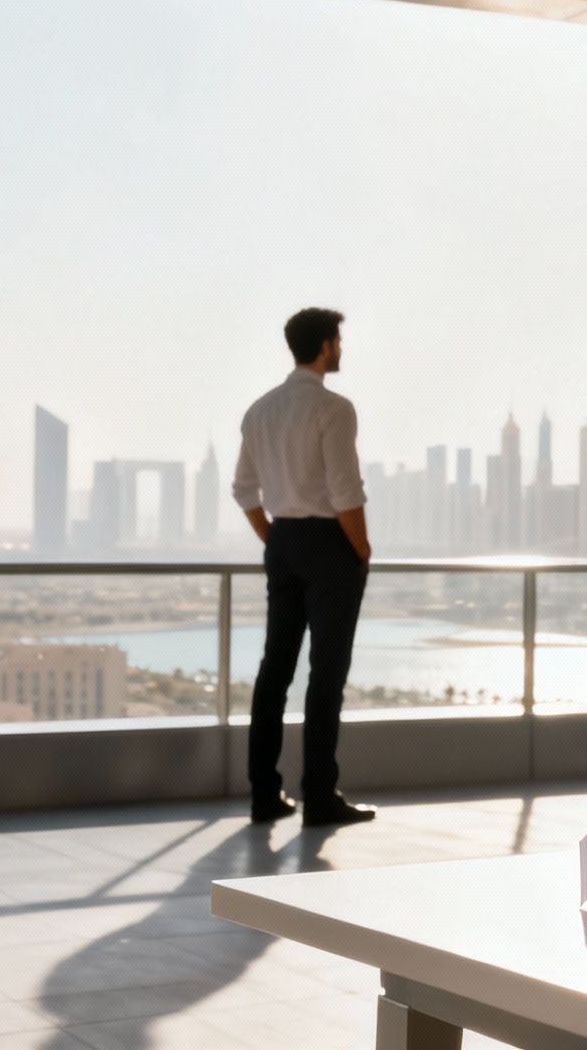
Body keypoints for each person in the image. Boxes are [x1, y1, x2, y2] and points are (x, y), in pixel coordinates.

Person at [232, 307, 378, 827]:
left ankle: (264, 795)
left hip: (286, 541)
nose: (341, 349)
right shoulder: (334, 409)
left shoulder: (260, 410)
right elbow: (345, 492)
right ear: (323, 347)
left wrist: (276, 539)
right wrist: (360, 549)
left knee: (275, 670)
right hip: (329, 541)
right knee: (326, 673)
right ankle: (319, 795)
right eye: (338, 341)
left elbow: (244, 491)